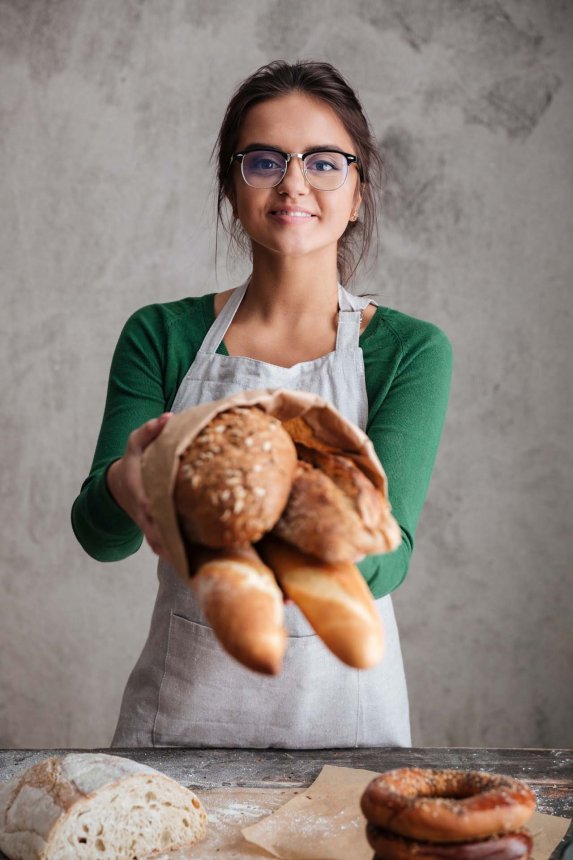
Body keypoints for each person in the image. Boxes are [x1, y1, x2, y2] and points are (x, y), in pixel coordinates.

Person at [72, 60, 452, 748]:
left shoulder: (408, 349)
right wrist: (126, 483)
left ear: (358, 191)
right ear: (231, 182)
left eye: (324, 162)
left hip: (345, 732)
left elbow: (388, 551)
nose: (294, 183)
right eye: (264, 160)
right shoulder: (162, 334)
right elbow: (102, 538)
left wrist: (270, 547)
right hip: (179, 729)